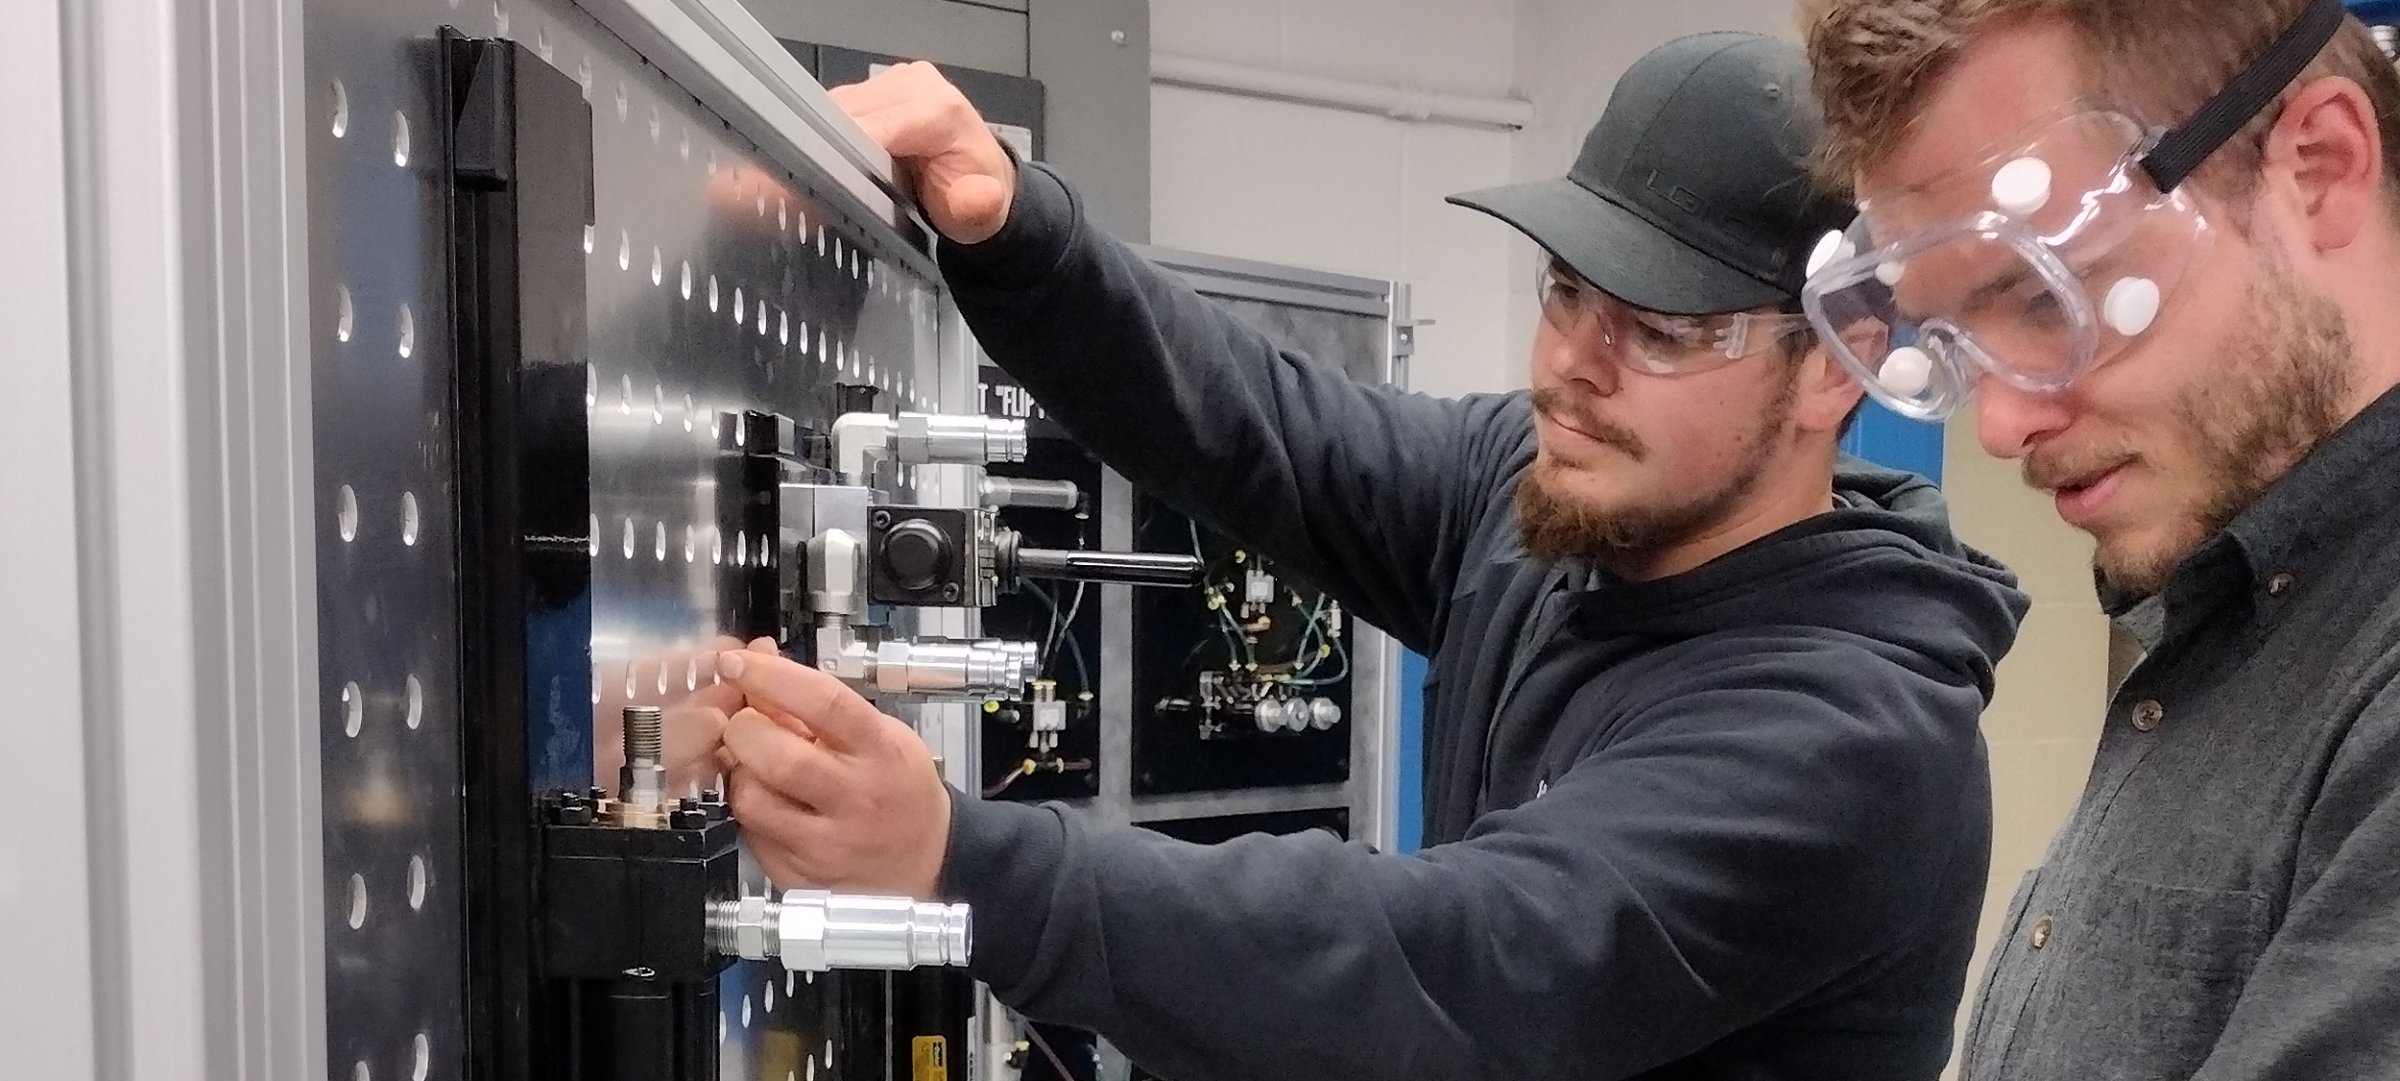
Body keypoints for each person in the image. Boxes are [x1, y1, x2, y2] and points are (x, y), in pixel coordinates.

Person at [714, 32, 2028, 1080]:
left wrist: (955, 853)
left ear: (1830, 375)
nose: (1576, 365)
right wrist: (1017, 235)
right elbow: (1261, 426)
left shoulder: (1854, 744)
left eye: (1663, 329)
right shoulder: (1559, 494)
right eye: (1567, 291)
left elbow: (1444, 969)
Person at [1797, 0, 2400, 1077]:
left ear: (2320, 165)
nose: (2002, 423)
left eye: (2042, 293)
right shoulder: (2232, 613)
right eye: (1957, 339)